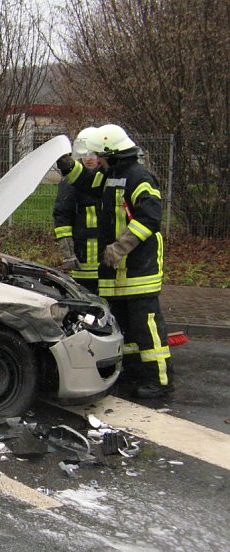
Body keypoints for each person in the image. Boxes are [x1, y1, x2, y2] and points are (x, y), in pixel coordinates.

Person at [56, 124, 172, 398]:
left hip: (138, 269)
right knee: (125, 326)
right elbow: (86, 182)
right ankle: (134, 374)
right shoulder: (113, 176)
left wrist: (121, 247)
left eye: (102, 155)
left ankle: (160, 380)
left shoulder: (139, 178)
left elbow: (150, 218)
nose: (99, 161)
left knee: (146, 326)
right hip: (116, 271)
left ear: (113, 153)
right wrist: (66, 165)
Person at [51, 127, 103, 294]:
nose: (89, 158)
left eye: (93, 154)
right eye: (85, 154)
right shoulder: (70, 182)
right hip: (83, 257)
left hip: (107, 259)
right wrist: (68, 252)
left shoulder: (107, 179)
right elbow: (62, 216)